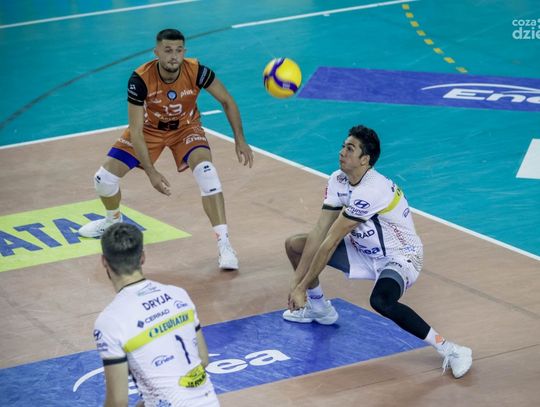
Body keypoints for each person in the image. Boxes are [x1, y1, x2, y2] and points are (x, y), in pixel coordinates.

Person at [284, 125, 473, 379]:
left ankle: (451, 349)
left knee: (381, 301)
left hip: (400, 256)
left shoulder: (372, 190)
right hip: (363, 251)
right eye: (343, 146)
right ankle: (319, 309)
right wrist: (297, 285)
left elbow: (330, 241)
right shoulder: (338, 179)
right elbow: (320, 232)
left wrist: (300, 286)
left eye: (350, 149)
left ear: (365, 160)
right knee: (295, 245)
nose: (342, 152)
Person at [79, 28, 253, 270]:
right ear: (157, 52)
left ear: (184, 52)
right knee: (103, 179)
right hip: (149, 130)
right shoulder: (140, 79)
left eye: (179, 50)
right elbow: (136, 130)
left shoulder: (198, 71)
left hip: (186, 128)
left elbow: (227, 100)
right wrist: (151, 172)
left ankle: (224, 244)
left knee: (207, 172)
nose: (174, 56)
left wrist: (240, 139)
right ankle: (112, 220)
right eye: (168, 50)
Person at [94, 222, 220, 407]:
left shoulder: (109, 321)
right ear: (142, 257)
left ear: (104, 261)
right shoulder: (178, 294)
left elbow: (118, 402)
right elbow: (203, 359)